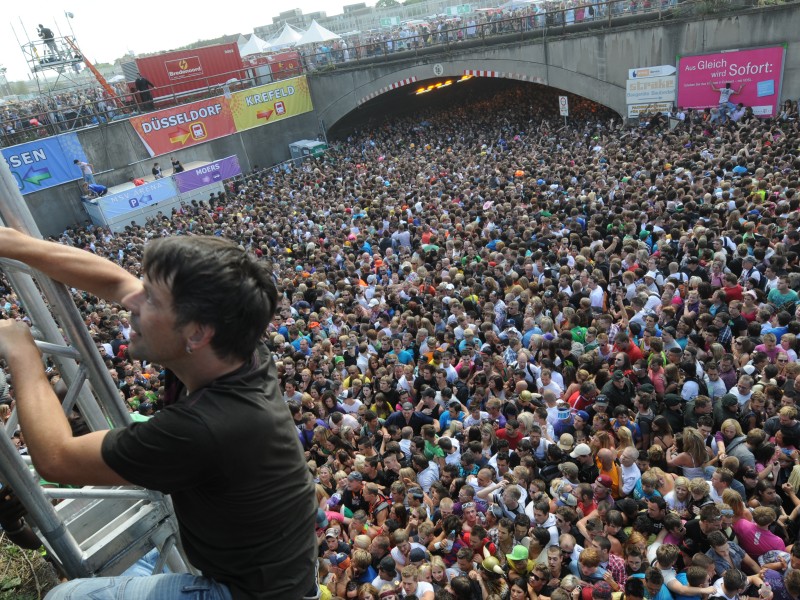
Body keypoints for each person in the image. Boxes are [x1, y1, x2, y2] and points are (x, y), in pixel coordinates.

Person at [0, 228, 318, 599]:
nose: (132, 302)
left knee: (63, 597)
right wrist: (17, 244)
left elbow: (56, 458)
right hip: (275, 576)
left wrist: (22, 354)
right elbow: (118, 282)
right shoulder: (233, 348)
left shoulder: (206, 427)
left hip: (249, 594)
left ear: (196, 334)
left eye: (150, 298)